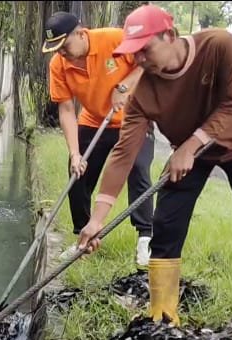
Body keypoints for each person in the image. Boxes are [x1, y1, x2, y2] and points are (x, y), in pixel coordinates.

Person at [76, 5, 232, 327]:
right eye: (134, 54)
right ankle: (163, 318)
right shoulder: (142, 95)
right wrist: (97, 219)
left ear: (169, 36)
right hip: (190, 156)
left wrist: (190, 144)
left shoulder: (218, 45)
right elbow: (123, 153)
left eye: (145, 50)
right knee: (166, 226)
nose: (140, 61)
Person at [43, 11, 157, 269]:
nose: (62, 53)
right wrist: (74, 153)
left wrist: (125, 86)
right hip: (95, 119)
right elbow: (66, 110)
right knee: (77, 173)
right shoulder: (58, 65)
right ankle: (84, 237)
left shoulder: (114, 39)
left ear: (81, 33)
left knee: (138, 168)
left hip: (134, 117)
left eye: (65, 45)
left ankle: (145, 237)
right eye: (56, 49)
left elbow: (147, 59)